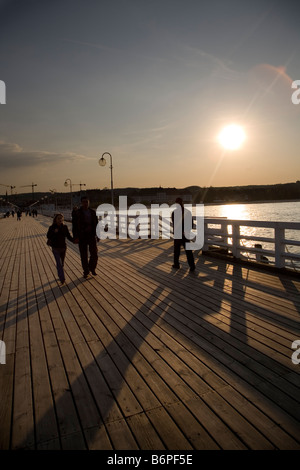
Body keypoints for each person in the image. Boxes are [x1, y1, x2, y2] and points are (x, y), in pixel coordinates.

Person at [72, 196, 99, 278]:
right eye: (83, 202)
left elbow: (96, 224)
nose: (85, 203)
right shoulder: (77, 212)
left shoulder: (92, 212)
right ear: (81, 203)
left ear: (89, 202)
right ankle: (86, 271)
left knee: (94, 254)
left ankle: (92, 268)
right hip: (82, 236)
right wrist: (75, 237)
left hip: (91, 235)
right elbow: (75, 226)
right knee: (84, 255)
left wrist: (98, 235)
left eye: (86, 202)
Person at [47, 213, 75, 285]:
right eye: (58, 218)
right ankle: (62, 278)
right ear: (55, 219)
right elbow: (48, 236)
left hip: (63, 247)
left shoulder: (64, 227)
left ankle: (60, 274)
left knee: (61, 263)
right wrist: (54, 232)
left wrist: (74, 241)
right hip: (55, 248)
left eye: (61, 218)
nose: (60, 220)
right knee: (59, 263)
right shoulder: (52, 227)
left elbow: (68, 236)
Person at [171, 197, 195, 272]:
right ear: (182, 202)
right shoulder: (188, 212)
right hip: (186, 234)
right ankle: (192, 266)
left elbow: (174, 223)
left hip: (178, 234)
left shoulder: (174, 213)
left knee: (177, 250)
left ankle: (176, 264)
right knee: (188, 251)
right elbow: (191, 224)